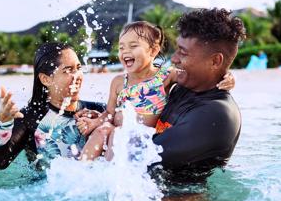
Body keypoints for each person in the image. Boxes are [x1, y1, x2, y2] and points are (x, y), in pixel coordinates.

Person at [76, 21, 234, 161]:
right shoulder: (118, 82)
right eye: (121, 47)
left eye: (133, 46)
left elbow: (200, 73)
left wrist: (227, 75)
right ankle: (81, 171)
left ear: (153, 51)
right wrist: (95, 122)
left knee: (117, 135)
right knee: (102, 130)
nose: (125, 51)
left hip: (143, 137)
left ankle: (111, 176)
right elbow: (109, 113)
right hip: (118, 130)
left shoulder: (164, 75)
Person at [151, 8, 245, 180]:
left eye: (183, 52)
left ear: (215, 61)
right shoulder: (183, 87)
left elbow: (142, 156)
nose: (174, 58)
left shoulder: (216, 114)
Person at [0, 42, 105, 171]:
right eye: (68, 70)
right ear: (46, 79)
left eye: (78, 68)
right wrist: (2, 124)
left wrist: (103, 119)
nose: (77, 76)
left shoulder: (98, 111)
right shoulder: (30, 119)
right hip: (42, 189)